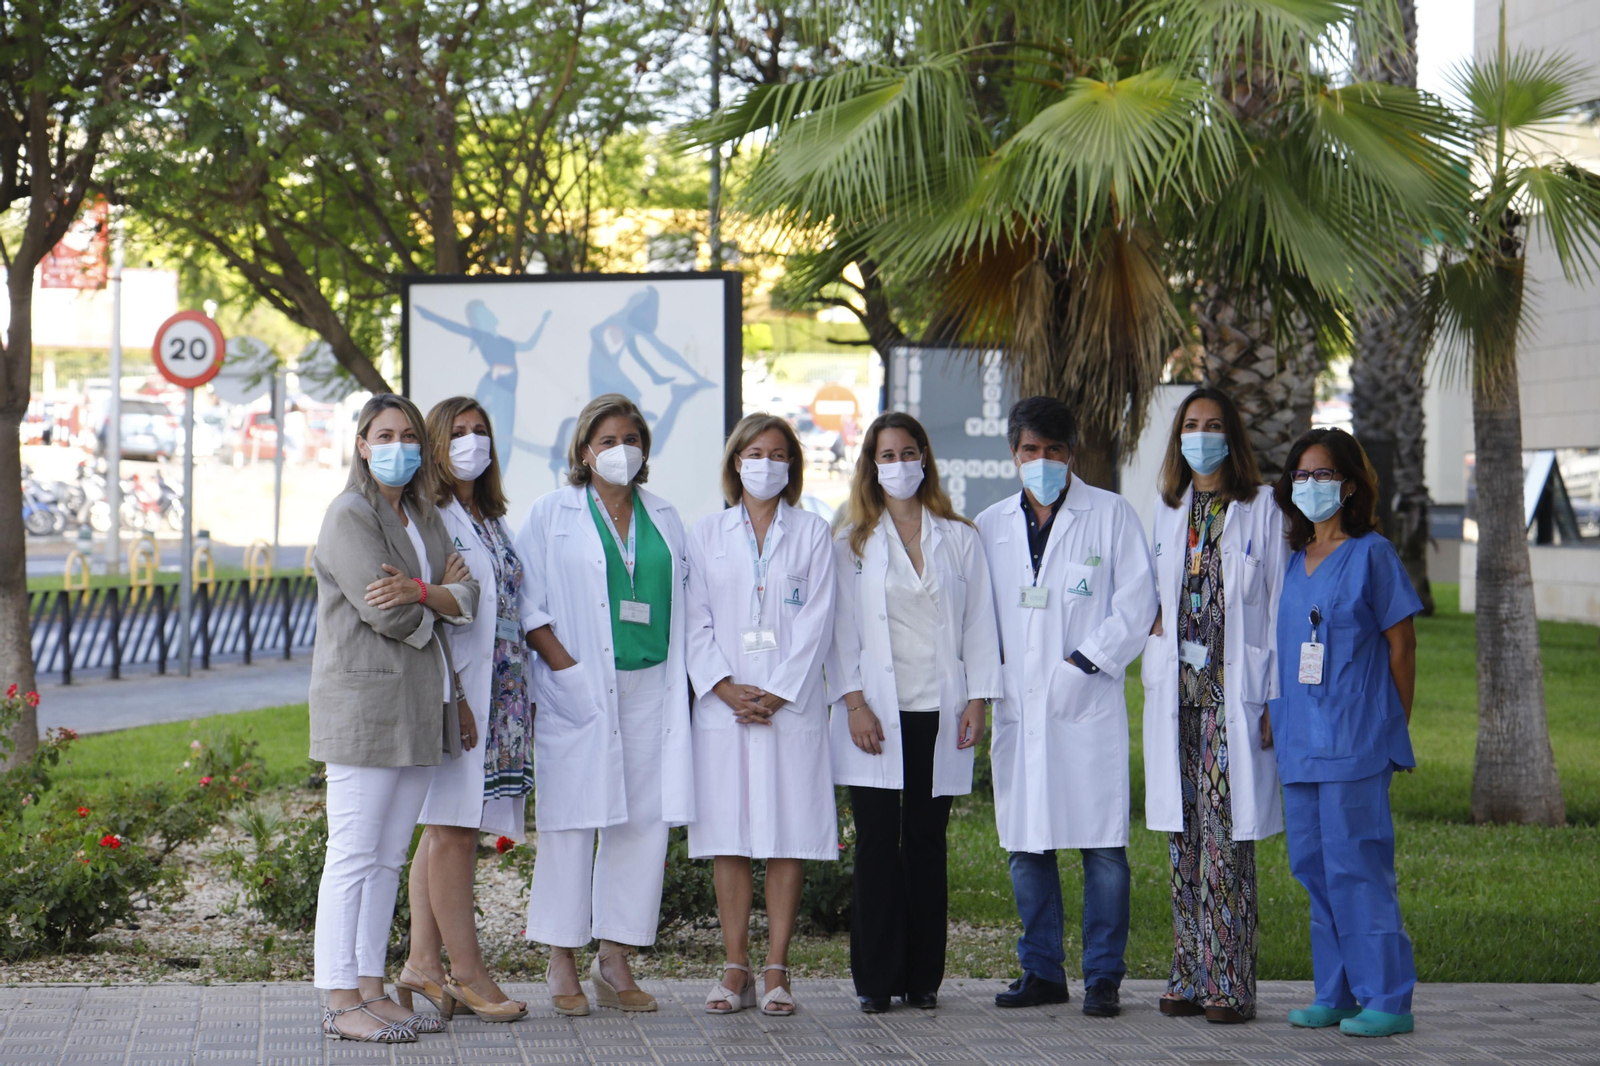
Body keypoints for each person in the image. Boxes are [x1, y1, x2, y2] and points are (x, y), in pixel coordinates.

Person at [975, 396, 1157, 1019]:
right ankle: (1042, 971)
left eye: (1054, 451)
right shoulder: (990, 524)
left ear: (1072, 454)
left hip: (1088, 704)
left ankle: (1103, 976)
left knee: (1102, 846)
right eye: (1031, 450)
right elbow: (981, 622)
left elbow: (1136, 606)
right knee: (1028, 842)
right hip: (1020, 709)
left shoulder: (1109, 515)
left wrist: (1082, 665)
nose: (1043, 461)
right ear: (1013, 454)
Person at [512, 393, 693, 1016]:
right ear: (584, 451)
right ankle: (561, 957)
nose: (622, 450)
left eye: (632, 439)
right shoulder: (551, 512)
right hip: (582, 686)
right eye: (609, 441)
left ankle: (614, 958)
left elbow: (686, 600)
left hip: (653, 686)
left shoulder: (665, 514)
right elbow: (525, 601)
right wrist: (566, 669)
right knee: (571, 820)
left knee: (641, 822)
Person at [309, 394, 479, 1042]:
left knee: (385, 859)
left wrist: (425, 593)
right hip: (364, 709)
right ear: (360, 442)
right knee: (351, 855)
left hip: (419, 705)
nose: (398, 445)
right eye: (384, 434)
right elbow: (390, 614)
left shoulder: (424, 516)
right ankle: (339, 996)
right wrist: (432, 596)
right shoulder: (348, 515)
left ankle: (372, 985)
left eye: (409, 434)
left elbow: (470, 595)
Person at [829, 412, 1003, 1014]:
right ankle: (876, 980)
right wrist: (853, 702)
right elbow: (841, 634)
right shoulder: (851, 541)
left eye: (908, 452)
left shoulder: (960, 536)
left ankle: (923, 976)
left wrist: (978, 698)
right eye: (886, 455)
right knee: (877, 841)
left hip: (940, 708)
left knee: (927, 842)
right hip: (875, 710)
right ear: (871, 466)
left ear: (925, 458)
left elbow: (981, 622)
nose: (898, 465)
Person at [1270, 428, 1422, 1039]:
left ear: (1351, 485)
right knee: (1314, 867)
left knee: (1358, 867)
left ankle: (1387, 997)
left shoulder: (1372, 554)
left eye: (1323, 475)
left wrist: (1391, 723)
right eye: (1301, 476)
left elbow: (1403, 646)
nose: (1310, 485)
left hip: (1356, 740)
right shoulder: (1293, 560)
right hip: (1299, 740)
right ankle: (1333, 992)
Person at [1141, 387, 1287, 1023]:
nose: (1201, 435)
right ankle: (1187, 972)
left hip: (1234, 696)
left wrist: (1272, 700)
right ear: (1178, 438)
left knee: (1226, 840)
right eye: (1191, 425)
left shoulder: (1261, 510)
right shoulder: (1168, 508)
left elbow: (1279, 607)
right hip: (1177, 696)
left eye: (1214, 425)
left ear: (1234, 436)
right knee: (1183, 837)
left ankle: (1230, 982)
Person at [685, 413, 838, 1017]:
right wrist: (723, 686)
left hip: (786, 709)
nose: (765, 463)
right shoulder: (705, 533)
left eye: (778, 454)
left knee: (785, 834)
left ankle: (776, 969)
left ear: (792, 466)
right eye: (754, 451)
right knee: (729, 834)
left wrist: (776, 690)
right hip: (725, 708)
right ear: (735, 461)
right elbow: (693, 617)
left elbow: (818, 619)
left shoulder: (813, 532)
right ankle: (734, 966)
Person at [398, 397, 533, 1024]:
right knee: (452, 828)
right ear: (435, 443)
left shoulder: (488, 515)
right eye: (458, 433)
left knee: (445, 826)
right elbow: (441, 607)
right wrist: (453, 696)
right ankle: (470, 975)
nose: (472, 442)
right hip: (460, 691)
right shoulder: (432, 516)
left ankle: (422, 964)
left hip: (499, 690)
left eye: (481, 432)